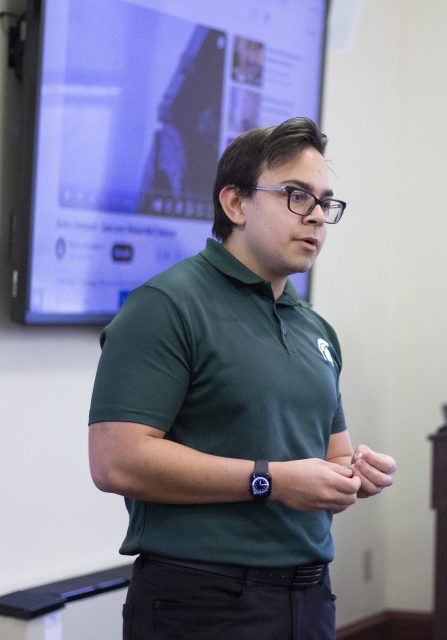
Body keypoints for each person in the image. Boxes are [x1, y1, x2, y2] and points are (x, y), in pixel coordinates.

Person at [88, 117, 397, 640]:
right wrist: (271, 481)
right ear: (234, 204)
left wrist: (356, 475)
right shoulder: (167, 305)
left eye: (325, 202)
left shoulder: (313, 326)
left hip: (310, 594)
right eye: (297, 196)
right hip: (203, 599)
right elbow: (117, 461)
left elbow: (331, 455)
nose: (318, 217)